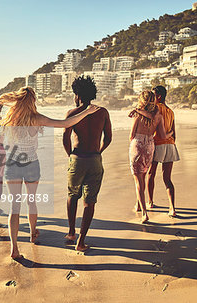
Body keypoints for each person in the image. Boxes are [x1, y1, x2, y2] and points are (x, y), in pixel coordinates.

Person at [0, 86, 100, 260]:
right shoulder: (37, 119)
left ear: (18, 101)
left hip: (12, 165)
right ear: (32, 101)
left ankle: (14, 249)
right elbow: (64, 124)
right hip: (31, 165)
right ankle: (32, 234)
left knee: (14, 208)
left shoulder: (9, 120)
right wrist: (86, 112)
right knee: (31, 202)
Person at [63, 75, 112, 252]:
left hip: (77, 158)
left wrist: (71, 156)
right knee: (89, 202)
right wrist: (98, 151)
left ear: (77, 95)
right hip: (95, 159)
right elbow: (109, 138)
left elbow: (65, 139)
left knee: (72, 195)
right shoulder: (103, 112)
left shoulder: (73, 113)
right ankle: (81, 241)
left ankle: (71, 232)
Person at [129, 90, 170, 223]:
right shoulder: (158, 116)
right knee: (143, 177)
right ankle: (138, 205)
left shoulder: (138, 115)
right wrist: (171, 133)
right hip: (150, 146)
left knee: (138, 180)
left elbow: (131, 135)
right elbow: (163, 136)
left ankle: (144, 213)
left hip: (138, 144)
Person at [145, 86, 180, 217]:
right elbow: (174, 132)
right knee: (167, 179)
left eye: (153, 95)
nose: (152, 98)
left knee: (151, 174)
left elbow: (151, 128)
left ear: (158, 96)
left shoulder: (155, 109)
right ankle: (172, 208)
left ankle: (150, 202)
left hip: (158, 144)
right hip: (170, 145)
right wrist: (170, 141)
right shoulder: (171, 111)